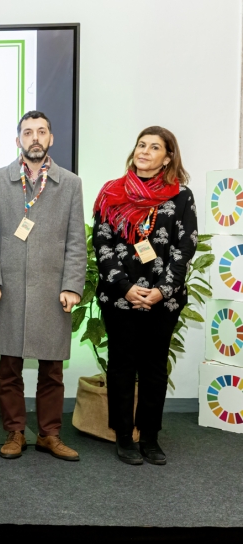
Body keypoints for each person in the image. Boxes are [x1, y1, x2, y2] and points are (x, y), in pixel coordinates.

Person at [0, 111, 86, 461]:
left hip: (53, 291)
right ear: (18, 140)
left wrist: (72, 285)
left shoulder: (70, 183)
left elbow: (76, 241)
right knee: (9, 366)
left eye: (41, 131)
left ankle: (49, 434)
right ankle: (14, 432)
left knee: (52, 370)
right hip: (7, 290)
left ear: (51, 138)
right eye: (28, 132)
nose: (35, 138)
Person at [93, 127, 196, 466]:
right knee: (121, 365)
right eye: (141, 145)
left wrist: (161, 291)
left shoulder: (181, 196)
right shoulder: (112, 192)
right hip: (120, 297)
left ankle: (150, 437)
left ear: (167, 158)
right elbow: (102, 244)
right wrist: (125, 287)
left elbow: (185, 247)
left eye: (154, 147)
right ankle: (124, 436)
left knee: (154, 367)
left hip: (162, 300)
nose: (145, 152)